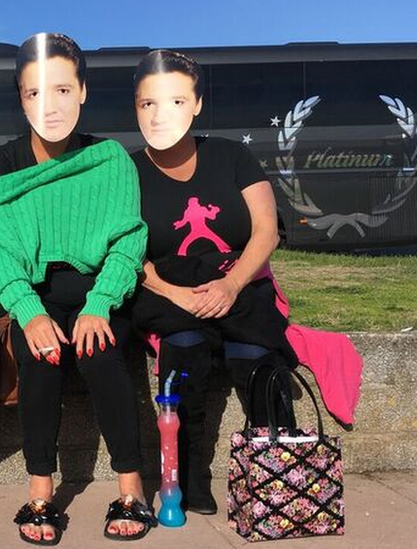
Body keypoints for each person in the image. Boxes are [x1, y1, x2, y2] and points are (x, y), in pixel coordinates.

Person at [0, 33, 154, 544]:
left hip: (100, 290)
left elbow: (128, 240)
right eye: (33, 93)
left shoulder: (110, 158)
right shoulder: (1, 163)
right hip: (34, 292)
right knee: (41, 356)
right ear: (20, 100)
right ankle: (40, 489)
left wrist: (100, 304)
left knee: (101, 354)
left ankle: (131, 486)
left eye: (60, 90)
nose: (47, 105)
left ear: (82, 92)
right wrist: (29, 312)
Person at [129, 49, 297, 515]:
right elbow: (125, 251)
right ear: (137, 108)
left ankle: (282, 475)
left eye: (177, 101)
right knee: (183, 353)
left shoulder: (231, 155)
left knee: (256, 357)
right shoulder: (128, 171)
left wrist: (232, 285)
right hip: (167, 289)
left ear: (197, 103)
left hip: (235, 282)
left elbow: (266, 230)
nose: (161, 113)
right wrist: (175, 292)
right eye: (148, 104)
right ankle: (183, 480)